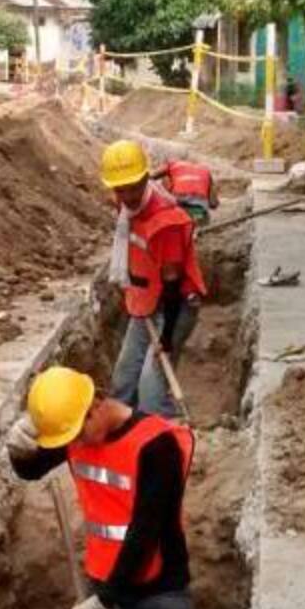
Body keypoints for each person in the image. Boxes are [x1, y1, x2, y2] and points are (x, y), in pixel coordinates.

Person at [6, 366, 195, 609]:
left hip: (158, 587)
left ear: (95, 406)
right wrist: (18, 449)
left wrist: (106, 602)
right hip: (105, 581)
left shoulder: (156, 446)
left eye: (78, 432)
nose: (75, 444)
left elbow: (146, 532)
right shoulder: (79, 433)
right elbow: (31, 470)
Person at [102, 140, 207, 418]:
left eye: (133, 188)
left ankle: (165, 436)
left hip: (176, 306)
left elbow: (173, 284)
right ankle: (123, 435)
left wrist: (167, 336)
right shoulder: (127, 207)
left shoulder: (167, 224)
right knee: (123, 381)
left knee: (151, 392)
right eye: (120, 189)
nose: (127, 196)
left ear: (146, 178)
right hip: (147, 300)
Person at [151, 159, 220, 228]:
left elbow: (149, 178)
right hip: (199, 212)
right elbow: (213, 204)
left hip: (178, 208)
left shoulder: (172, 164)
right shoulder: (206, 171)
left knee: (165, 179)